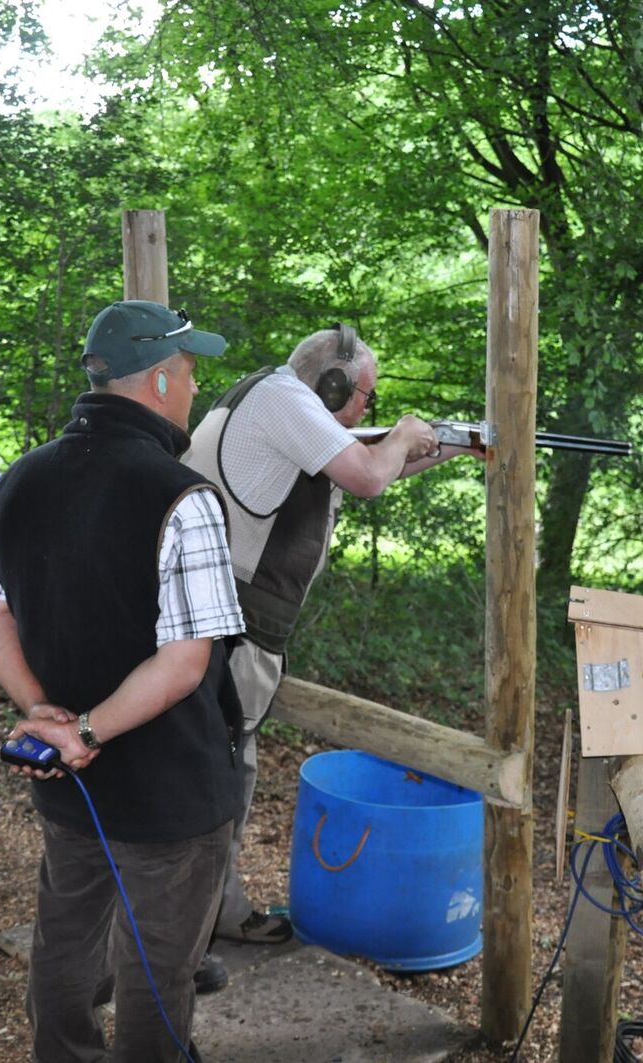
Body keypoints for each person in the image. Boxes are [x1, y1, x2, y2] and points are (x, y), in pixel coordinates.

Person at [0, 300, 245, 1063]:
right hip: (168, 788)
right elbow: (186, 661)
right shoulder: (180, 496)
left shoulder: (20, 478)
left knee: (65, 940)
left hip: (66, 776)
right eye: (189, 372)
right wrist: (83, 731)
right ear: (159, 382)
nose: (193, 388)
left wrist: (42, 713)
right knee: (158, 971)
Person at [182, 323, 482, 946]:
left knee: (227, 769)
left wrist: (452, 445)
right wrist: (402, 434)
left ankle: (211, 911)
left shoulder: (275, 404)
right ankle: (184, 930)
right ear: (332, 381)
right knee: (212, 777)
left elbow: (372, 465)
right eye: (364, 393)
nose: (368, 407)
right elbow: (371, 474)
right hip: (231, 630)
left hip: (226, 626)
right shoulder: (282, 399)